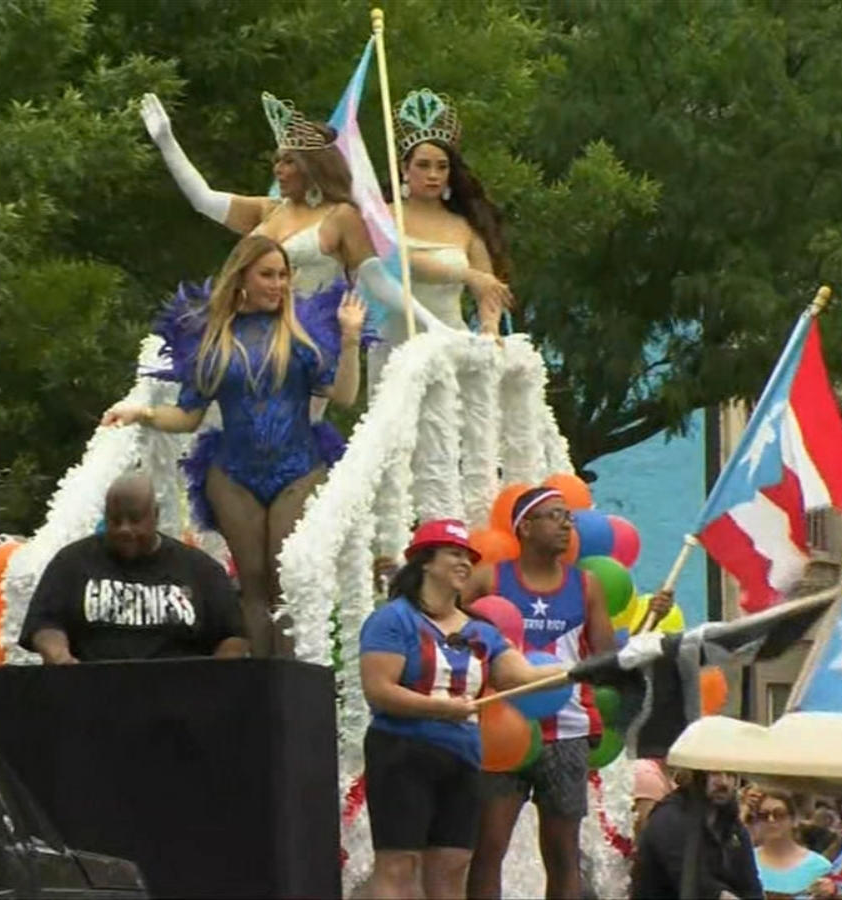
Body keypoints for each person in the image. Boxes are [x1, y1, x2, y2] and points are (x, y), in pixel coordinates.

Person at [104, 236, 364, 659]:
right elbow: (187, 415)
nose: (278, 284)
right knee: (254, 579)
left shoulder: (300, 334)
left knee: (286, 575)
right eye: (267, 275)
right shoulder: (214, 341)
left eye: (283, 275)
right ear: (242, 277)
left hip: (297, 468)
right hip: (234, 474)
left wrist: (350, 340)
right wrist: (141, 414)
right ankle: (261, 683)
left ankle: (292, 681)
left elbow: (345, 395)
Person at [461, 486, 674, 900]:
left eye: (569, 518)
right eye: (555, 516)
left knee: (562, 854)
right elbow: (444, 624)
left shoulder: (586, 585)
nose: (566, 525)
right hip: (503, 730)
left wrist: (649, 623)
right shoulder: (489, 578)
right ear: (524, 526)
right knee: (489, 848)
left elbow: (606, 659)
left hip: (567, 731)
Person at [359, 519, 568, 900]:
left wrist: (583, 670)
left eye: (469, 557)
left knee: (453, 865)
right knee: (399, 863)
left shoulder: (481, 630)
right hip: (402, 752)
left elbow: (521, 676)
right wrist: (437, 708)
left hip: (463, 757)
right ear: (425, 561)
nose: (465, 564)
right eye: (454, 554)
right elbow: (379, 690)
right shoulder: (393, 620)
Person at [140, 91, 451, 332]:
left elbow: (378, 280)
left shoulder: (341, 216)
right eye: (278, 161)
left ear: (312, 168)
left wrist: (431, 322)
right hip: (248, 332)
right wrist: (167, 142)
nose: (279, 170)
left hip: (310, 341)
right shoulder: (268, 209)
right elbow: (203, 200)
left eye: (289, 162)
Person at [368, 89, 515, 396]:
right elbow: (398, 258)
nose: (433, 175)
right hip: (395, 347)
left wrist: (489, 326)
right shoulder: (382, 218)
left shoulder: (464, 226)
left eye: (442, 166)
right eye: (423, 165)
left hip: (451, 346)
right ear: (404, 169)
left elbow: (487, 286)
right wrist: (464, 274)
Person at [18, 474, 249, 663]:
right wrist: (59, 655)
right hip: (93, 693)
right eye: (115, 520)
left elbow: (233, 636)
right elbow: (44, 623)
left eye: (135, 520)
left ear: (155, 515)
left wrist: (215, 678)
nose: (124, 530)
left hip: (179, 696)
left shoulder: (200, 569)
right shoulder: (72, 562)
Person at [633, 769, 764, 900]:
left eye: (730, 775)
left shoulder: (732, 824)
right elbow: (696, 884)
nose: (723, 783)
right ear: (695, 776)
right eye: (715, 773)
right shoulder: (668, 817)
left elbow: (751, 886)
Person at [752, 789, 838, 899]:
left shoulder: (820, 867)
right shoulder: (745, 862)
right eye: (763, 815)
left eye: (779, 814)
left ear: (793, 819)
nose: (771, 820)